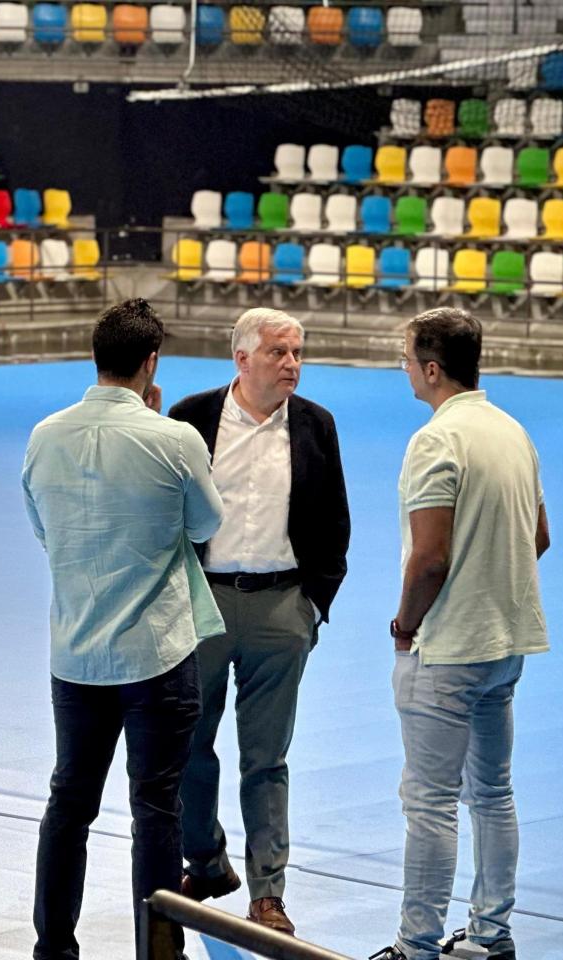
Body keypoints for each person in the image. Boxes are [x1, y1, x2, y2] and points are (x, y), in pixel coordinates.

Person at [22, 298, 225, 960]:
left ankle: (53, 948)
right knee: (157, 811)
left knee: (68, 805)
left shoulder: (45, 435)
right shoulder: (174, 439)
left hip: (76, 655)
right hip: (155, 657)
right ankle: (157, 955)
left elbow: (42, 528)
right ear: (151, 363)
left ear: (96, 357)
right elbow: (204, 526)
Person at [370, 308, 551, 960]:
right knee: (493, 794)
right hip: (506, 644)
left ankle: (415, 947)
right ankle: (489, 933)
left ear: (432, 368)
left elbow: (430, 559)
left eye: (407, 357)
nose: (404, 367)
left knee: (430, 803)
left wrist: (403, 627)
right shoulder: (513, 433)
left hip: (448, 648)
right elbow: (539, 537)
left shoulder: (434, 442)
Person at [166, 308, 351, 936]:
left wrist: (311, 606)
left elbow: (334, 523)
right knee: (189, 747)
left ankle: (268, 893)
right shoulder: (191, 418)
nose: (292, 364)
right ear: (242, 359)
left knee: (266, 759)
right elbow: (165, 512)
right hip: (205, 603)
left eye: (298, 351)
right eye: (278, 352)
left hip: (281, 608)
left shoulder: (317, 426)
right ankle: (207, 860)